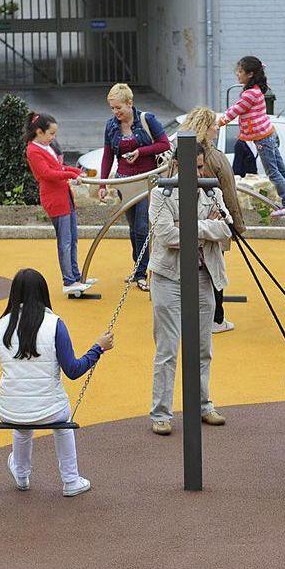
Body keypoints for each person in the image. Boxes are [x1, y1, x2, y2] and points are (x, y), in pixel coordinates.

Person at [0, 269, 114, 496]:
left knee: (23, 425)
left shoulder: (0, 327)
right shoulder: (54, 324)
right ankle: (70, 480)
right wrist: (98, 348)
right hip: (51, 411)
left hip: (10, 410)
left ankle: (21, 475)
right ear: (43, 293)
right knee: (63, 422)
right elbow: (73, 370)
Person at [146, 147, 232, 435]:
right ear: (176, 166)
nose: (198, 174)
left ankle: (203, 404)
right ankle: (161, 413)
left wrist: (191, 227)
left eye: (200, 167)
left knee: (203, 347)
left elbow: (227, 230)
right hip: (168, 277)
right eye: (192, 168)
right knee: (167, 348)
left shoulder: (211, 192)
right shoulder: (162, 193)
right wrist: (207, 228)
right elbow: (166, 235)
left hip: (203, 275)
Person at [99, 83, 172, 291]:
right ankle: (138, 267)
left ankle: (142, 273)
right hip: (124, 180)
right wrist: (103, 183)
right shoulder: (111, 125)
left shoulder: (147, 119)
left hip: (146, 180)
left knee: (142, 227)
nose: (116, 113)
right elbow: (107, 155)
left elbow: (164, 144)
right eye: (112, 108)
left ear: (129, 103)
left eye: (118, 108)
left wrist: (141, 151)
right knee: (133, 228)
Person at [186, 106, 245, 333]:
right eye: (213, 125)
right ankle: (216, 319)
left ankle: (196, 317)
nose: (217, 129)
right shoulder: (214, 158)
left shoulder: (178, 154)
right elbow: (229, 192)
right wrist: (236, 225)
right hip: (212, 219)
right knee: (214, 268)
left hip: (185, 223)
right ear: (205, 127)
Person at [25, 112, 95, 296]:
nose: (53, 137)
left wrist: (75, 171)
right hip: (55, 199)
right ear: (39, 132)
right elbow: (46, 174)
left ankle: (76, 276)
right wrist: (72, 175)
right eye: (51, 134)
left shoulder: (45, 147)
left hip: (64, 196)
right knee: (65, 241)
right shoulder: (33, 150)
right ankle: (69, 280)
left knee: (72, 239)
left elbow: (58, 168)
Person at [219, 56, 285, 216]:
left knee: (272, 171)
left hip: (262, 138)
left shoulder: (249, 94)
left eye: (240, 71)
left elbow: (236, 110)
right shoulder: (256, 90)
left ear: (250, 74)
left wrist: (221, 121)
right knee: (280, 168)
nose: (237, 74)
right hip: (268, 133)